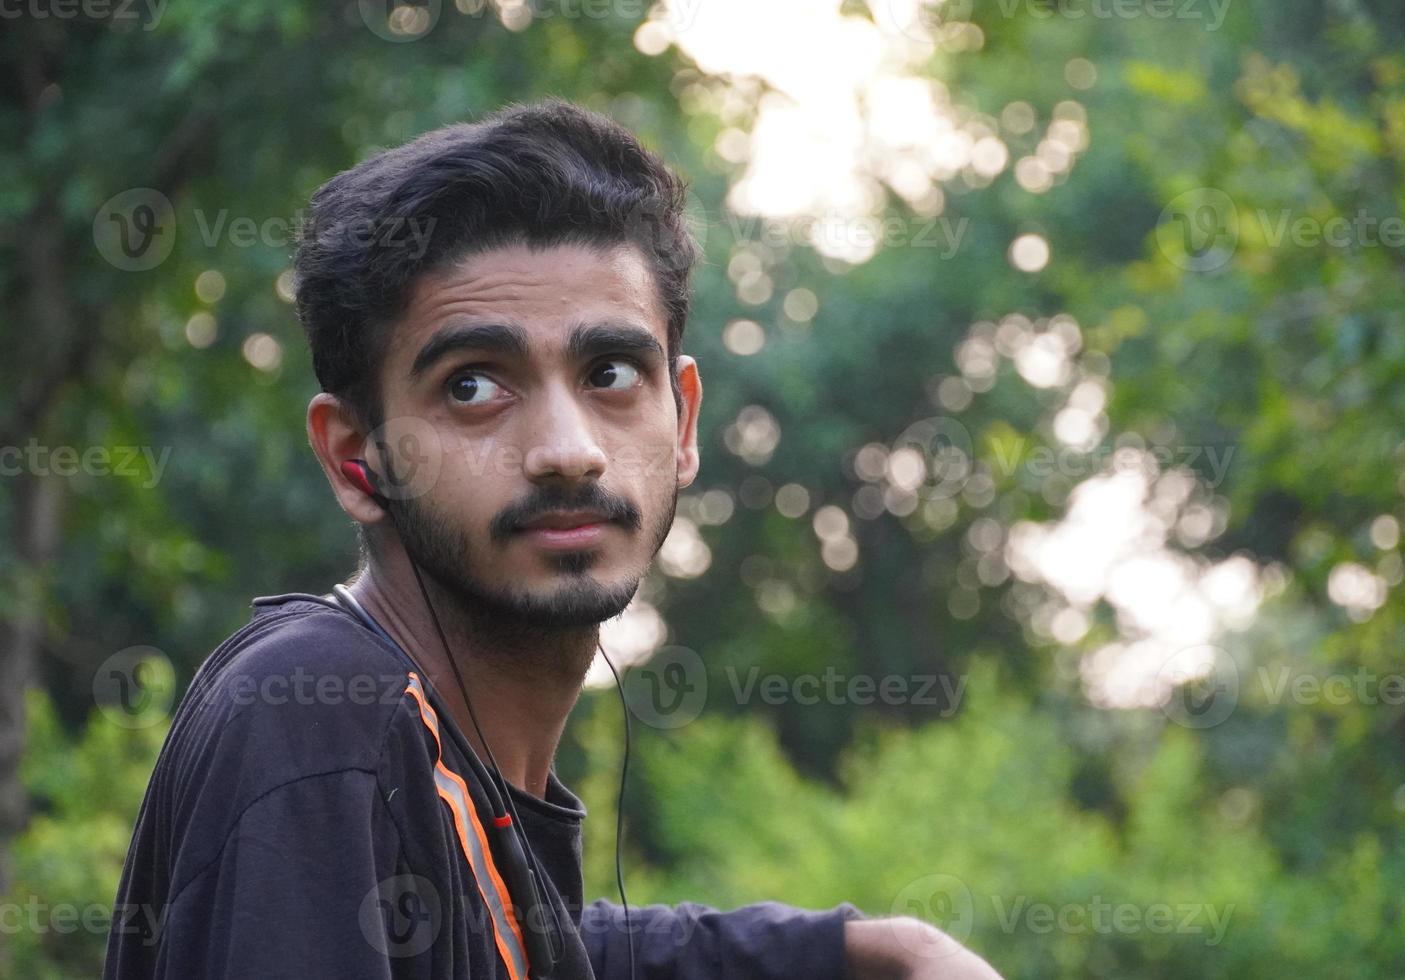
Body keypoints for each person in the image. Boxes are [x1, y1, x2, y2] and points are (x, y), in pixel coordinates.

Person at [104, 97, 1005, 979]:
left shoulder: (442, 781)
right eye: (473, 387)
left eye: (610, 372)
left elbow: (536, 938)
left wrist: (871, 950)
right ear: (356, 460)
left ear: (683, 423)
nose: (569, 452)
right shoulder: (315, 719)